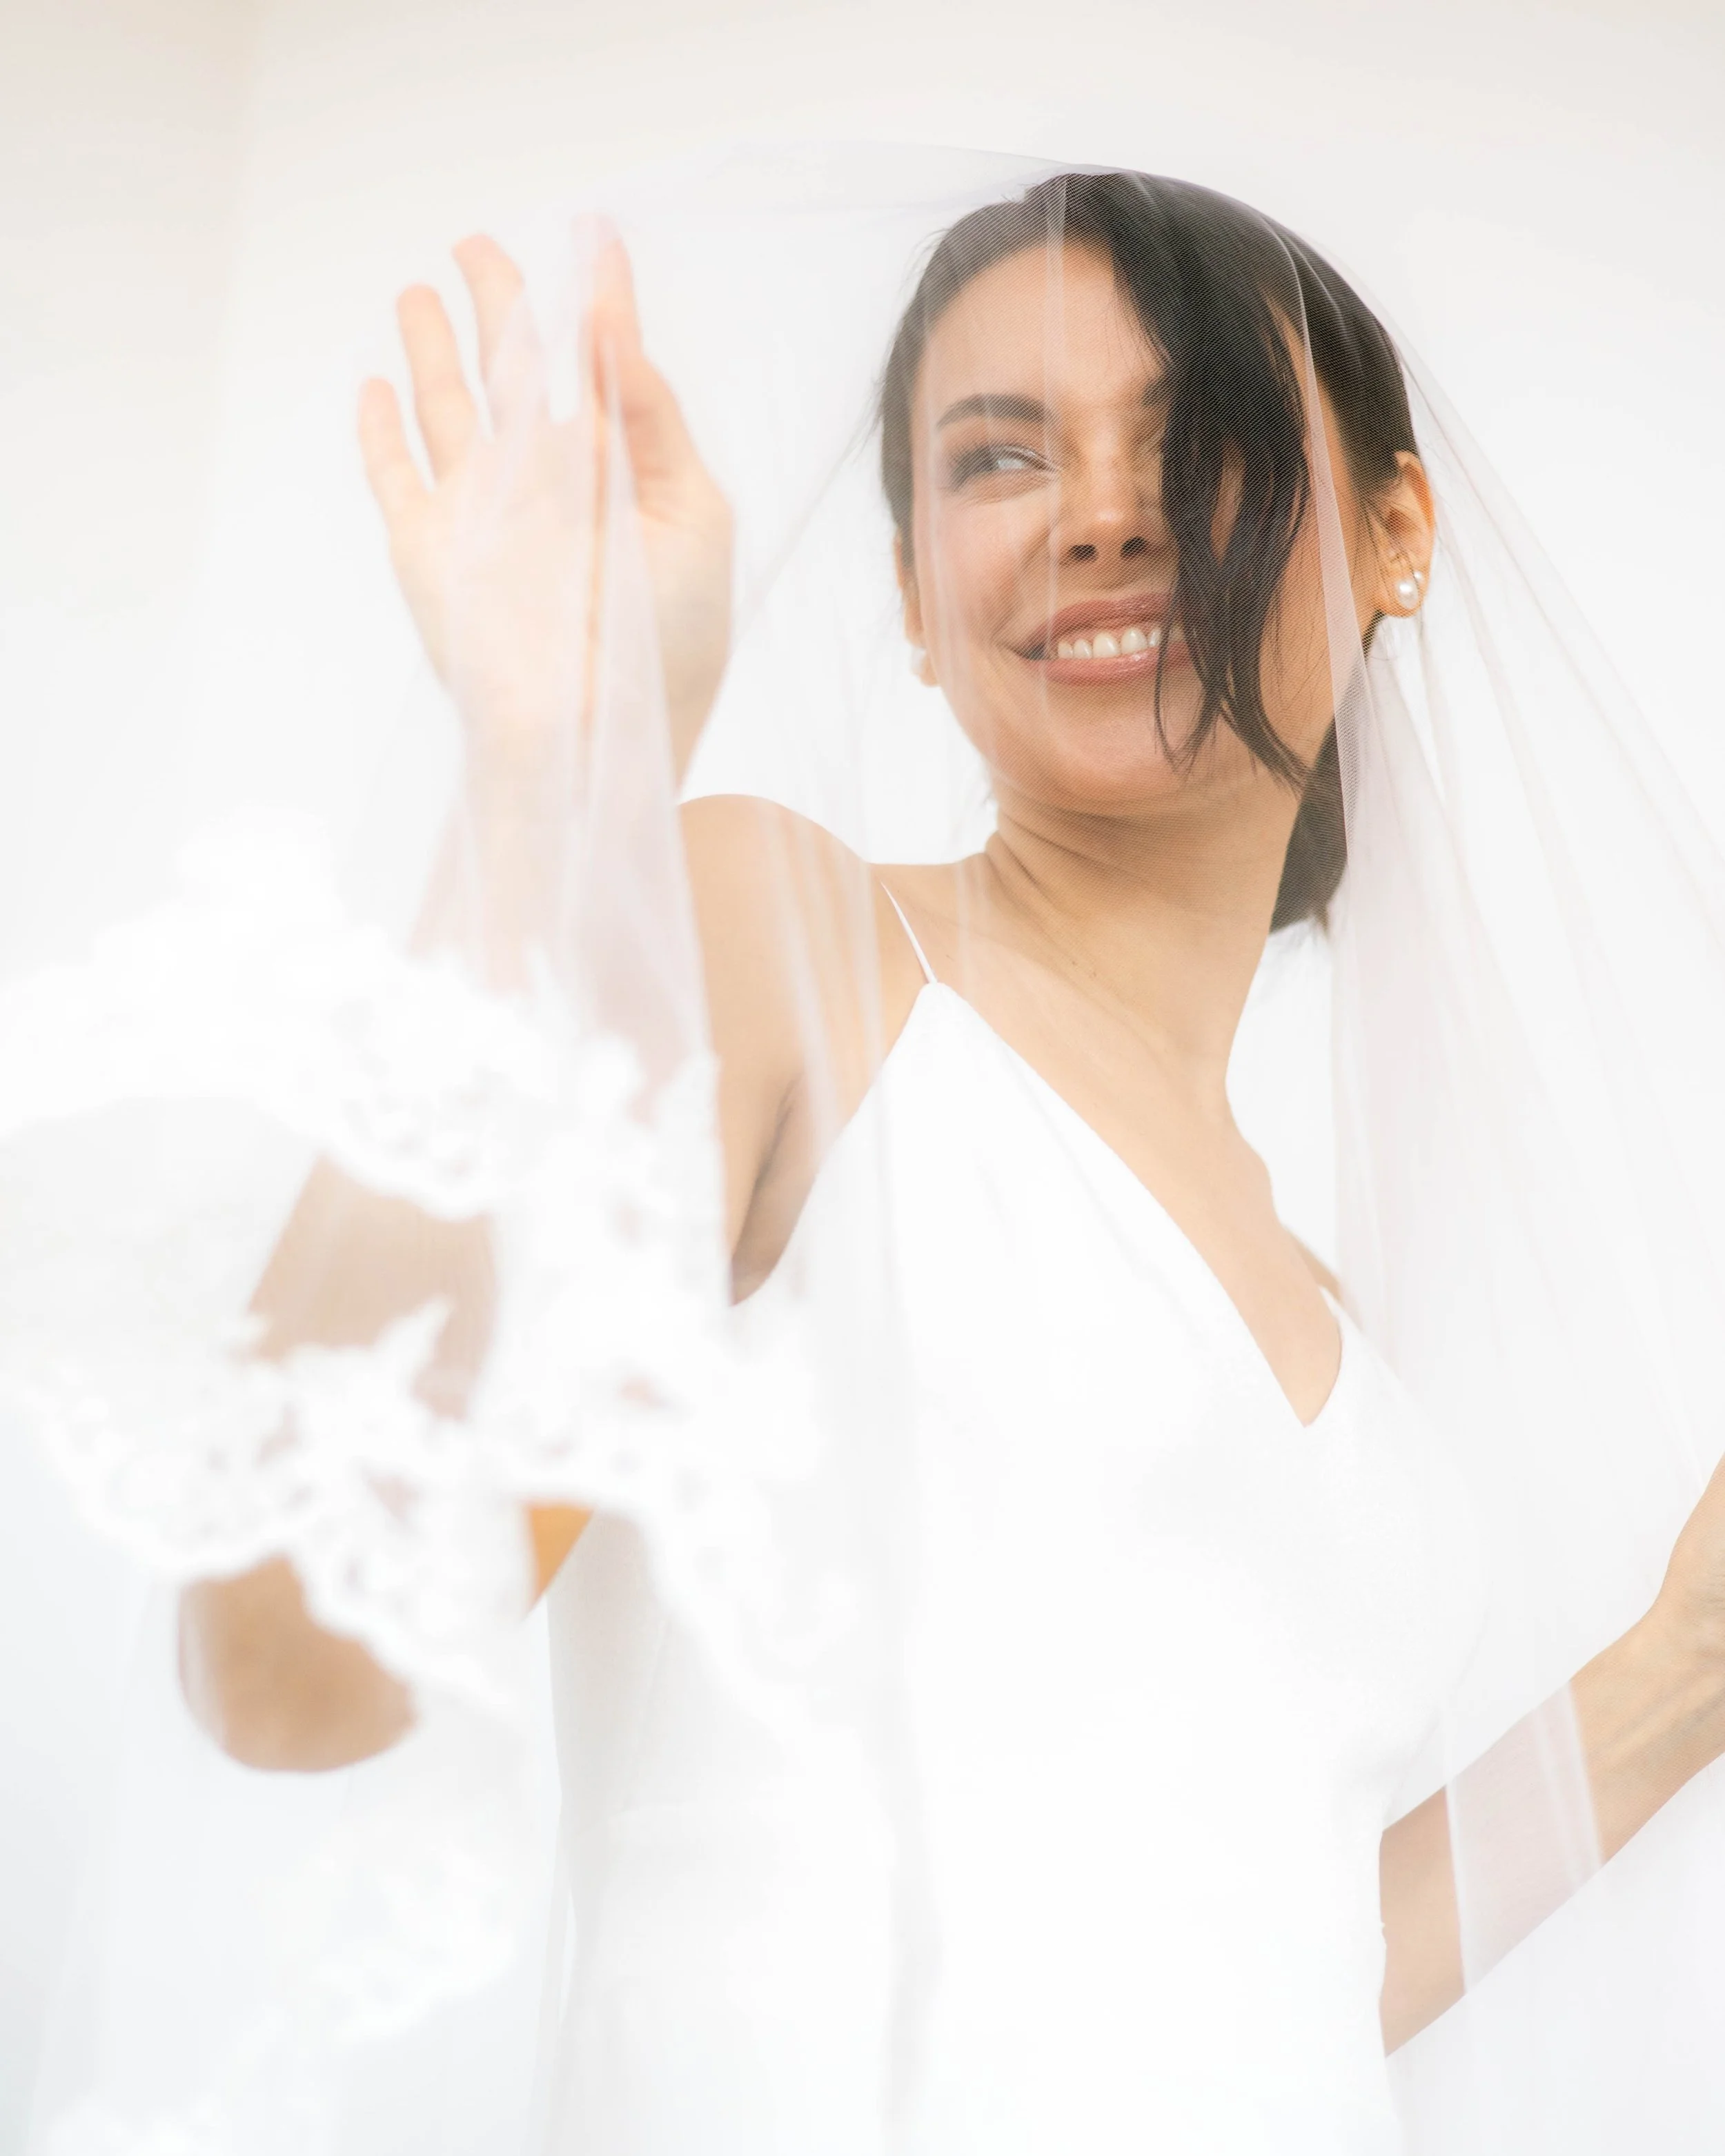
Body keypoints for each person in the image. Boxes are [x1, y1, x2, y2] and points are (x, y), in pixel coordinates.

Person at [160, 171, 1725, 2152]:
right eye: (1001, 455)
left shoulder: (1319, 1303)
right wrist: (545, 801)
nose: (1099, 513)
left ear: (1394, 530)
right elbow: (294, 1662)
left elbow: (1273, 1969)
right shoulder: (786, 952)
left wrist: (1679, 1673)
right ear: (912, 594)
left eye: (1189, 427)